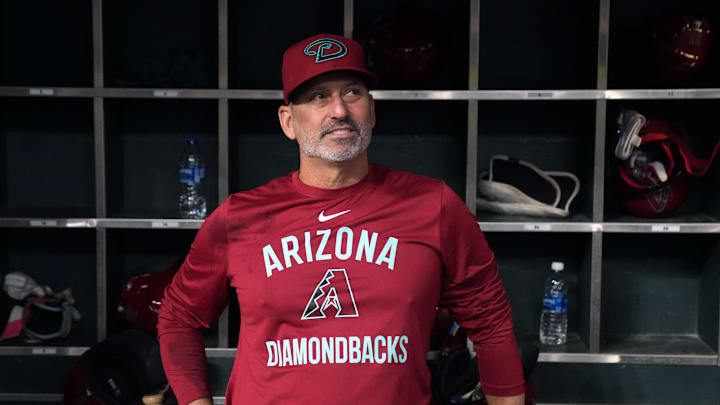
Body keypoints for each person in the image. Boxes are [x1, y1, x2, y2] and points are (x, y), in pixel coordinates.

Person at [158, 33, 525, 405]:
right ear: (288, 121)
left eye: (352, 93)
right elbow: (178, 318)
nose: (339, 111)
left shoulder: (434, 205)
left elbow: (491, 320)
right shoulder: (239, 218)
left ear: (372, 109)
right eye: (319, 96)